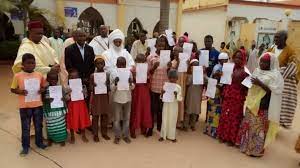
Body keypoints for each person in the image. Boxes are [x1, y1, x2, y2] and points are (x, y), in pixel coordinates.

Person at [238, 53, 283, 157]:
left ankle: (256, 150)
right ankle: (246, 147)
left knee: (258, 128)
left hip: (263, 104)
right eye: (261, 61)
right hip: (252, 103)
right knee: (249, 125)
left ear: (270, 63)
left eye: (265, 62)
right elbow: (251, 82)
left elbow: (275, 91)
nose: (262, 63)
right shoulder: (257, 70)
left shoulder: (276, 75)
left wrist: (260, 84)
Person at [10, 53, 47, 156]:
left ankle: (39, 143)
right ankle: (25, 147)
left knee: (38, 126)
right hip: (25, 107)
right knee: (26, 127)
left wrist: (42, 90)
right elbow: (12, 89)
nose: (31, 65)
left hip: (38, 105)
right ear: (23, 64)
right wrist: (20, 92)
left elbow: (44, 86)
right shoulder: (17, 76)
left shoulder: (39, 75)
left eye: (33, 63)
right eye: (28, 63)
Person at [217, 50, 248, 146]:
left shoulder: (245, 71)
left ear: (243, 59)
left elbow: (247, 87)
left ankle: (231, 139)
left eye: (239, 58)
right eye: (236, 57)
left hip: (237, 97)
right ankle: (223, 136)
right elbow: (225, 81)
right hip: (228, 94)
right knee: (225, 115)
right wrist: (221, 76)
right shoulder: (229, 68)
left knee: (234, 118)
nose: (237, 59)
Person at [268, 30, 299, 129]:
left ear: (284, 39)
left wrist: (279, 73)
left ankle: (274, 128)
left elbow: (293, 67)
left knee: (278, 107)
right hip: (269, 81)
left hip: (280, 84)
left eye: (278, 37)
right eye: (275, 37)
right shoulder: (271, 48)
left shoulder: (290, 51)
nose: (275, 39)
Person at [146, 36, 171, 137]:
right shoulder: (150, 57)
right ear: (156, 44)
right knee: (153, 108)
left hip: (164, 87)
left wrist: (169, 67)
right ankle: (150, 128)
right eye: (159, 43)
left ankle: (160, 127)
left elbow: (169, 74)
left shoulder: (168, 56)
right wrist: (153, 67)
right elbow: (147, 73)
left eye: (163, 43)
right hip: (153, 87)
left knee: (161, 109)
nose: (161, 45)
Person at [204, 53, 229, 138]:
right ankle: (211, 131)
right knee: (214, 112)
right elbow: (216, 79)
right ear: (219, 60)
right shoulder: (217, 67)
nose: (225, 61)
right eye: (223, 60)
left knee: (215, 112)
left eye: (226, 60)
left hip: (217, 91)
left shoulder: (225, 68)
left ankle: (210, 130)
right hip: (215, 91)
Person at [110, 57, 135, 144]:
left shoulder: (129, 72)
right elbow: (111, 89)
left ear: (125, 64)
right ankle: (117, 136)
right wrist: (115, 83)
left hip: (128, 98)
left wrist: (131, 83)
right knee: (116, 119)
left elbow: (132, 87)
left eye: (123, 64)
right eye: (120, 64)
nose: (121, 66)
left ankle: (125, 135)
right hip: (117, 98)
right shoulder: (113, 73)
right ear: (116, 64)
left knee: (127, 118)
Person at [42, 71, 68, 146]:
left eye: (55, 79)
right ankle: (51, 138)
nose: (53, 81)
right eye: (51, 79)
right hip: (49, 110)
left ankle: (62, 139)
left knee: (61, 124)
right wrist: (47, 100)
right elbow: (42, 99)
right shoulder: (45, 89)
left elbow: (65, 97)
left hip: (59, 110)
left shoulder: (60, 88)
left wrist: (64, 99)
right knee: (50, 125)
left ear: (57, 80)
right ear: (48, 79)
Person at [130, 54, 152, 138]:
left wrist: (147, 76)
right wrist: (135, 75)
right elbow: (131, 81)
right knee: (136, 109)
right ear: (136, 61)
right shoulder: (133, 69)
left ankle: (144, 128)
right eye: (139, 61)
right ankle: (133, 129)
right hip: (136, 91)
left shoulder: (147, 69)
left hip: (145, 91)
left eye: (143, 61)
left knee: (145, 109)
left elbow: (149, 80)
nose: (141, 63)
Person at [89, 56, 111, 142]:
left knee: (105, 115)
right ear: (95, 65)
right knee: (95, 116)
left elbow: (109, 89)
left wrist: (107, 85)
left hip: (104, 98)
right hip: (96, 98)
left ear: (104, 64)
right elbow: (90, 88)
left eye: (102, 63)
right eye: (98, 63)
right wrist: (93, 86)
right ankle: (95, 134)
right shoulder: (92, 76)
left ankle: (104, 133)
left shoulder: (107, 75)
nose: (100, 65)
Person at [66, 69, 91, 144]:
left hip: (81, 105)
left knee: (82, 118)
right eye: (72, 77)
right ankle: (72, 135)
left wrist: (84, 93)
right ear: (69, 78)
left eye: (76, 77)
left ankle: (83, 135)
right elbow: (66, 98)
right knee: (71, 119)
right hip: (72, 105)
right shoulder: (67, 87)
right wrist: (69, 94)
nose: (74, 79)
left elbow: (86, 96)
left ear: (79, 78)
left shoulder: (82, 86)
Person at [159, 69, 182, 142]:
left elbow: (180, 98)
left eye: (174, 78)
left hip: (174, 106)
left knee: (172, 120)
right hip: (166, 105)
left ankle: (172, 136)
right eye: (171, 78)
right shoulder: (166, 85)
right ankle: (163, 135)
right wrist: (162, 93)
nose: (172, 79)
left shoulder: (178, 87)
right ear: (168, 78)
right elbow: (161, 97)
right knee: (164, 119)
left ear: (177, 78)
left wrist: (176, 95)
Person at [183, 59, 203, 131]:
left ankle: (192, 125)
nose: (196, 67)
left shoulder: (202, 75)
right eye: (194, 65)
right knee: (188, 111)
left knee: (195, 111)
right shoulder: (189, 75)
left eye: (197, 65)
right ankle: (185, 125)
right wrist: (192, 75)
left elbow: (207, 81)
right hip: (190, 95)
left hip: (198, 95)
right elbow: (187, 83)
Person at [171, 46, 186, 128]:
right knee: (174, 102)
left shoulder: (184, 62)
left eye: (179, 51)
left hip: (182, 84)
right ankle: (173, 121)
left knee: (180, 102)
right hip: (174, 85)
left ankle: (179, 121)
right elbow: (172, 73)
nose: (177, 53)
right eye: (176, 51)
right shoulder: (173, 62)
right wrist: (178, 64)